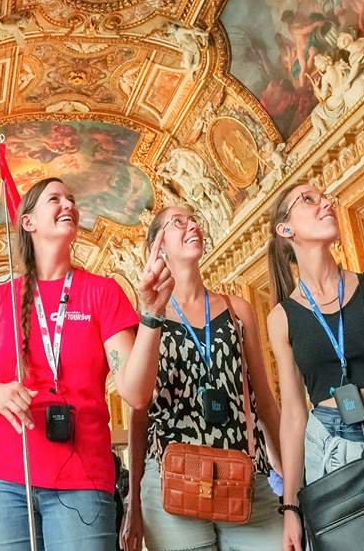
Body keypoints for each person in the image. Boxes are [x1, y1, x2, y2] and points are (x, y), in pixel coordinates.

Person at [0, 177, 173, 551]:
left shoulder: (102, 291)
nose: (68, 205)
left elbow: (136, 392)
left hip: (82, 477)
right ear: (28, 222)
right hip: (4, 477)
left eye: (72, 199)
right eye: (54, 199)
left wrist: (152, 315)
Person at [266, 183, 364, 551]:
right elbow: (293, 414)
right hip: (336, 450)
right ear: (285, 229)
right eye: (309, 199)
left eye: (325, 197)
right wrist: (291, 505)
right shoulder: (282, 318)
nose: (326, 202)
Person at [121, 206, 283, 551]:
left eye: (194, 218)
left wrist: (293, 485)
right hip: (172, 481)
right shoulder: (148, 318)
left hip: (244, 476)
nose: (192, 224)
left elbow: (264, 401)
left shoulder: (237, 309)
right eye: (178, 222)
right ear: (158, 246)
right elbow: (139, 412)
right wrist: (133, 500)